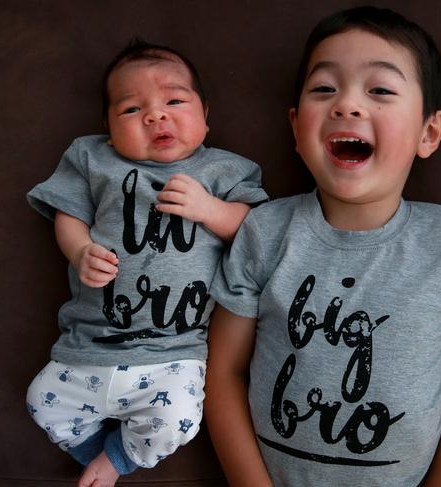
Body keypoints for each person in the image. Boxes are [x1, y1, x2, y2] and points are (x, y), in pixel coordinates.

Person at [204, 6, 441, 487]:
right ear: (296, 128)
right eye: (324, 89)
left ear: (429, 132)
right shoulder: (264, 232)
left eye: (380, 90)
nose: (347, 105)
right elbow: (223, 374)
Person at [25, 39, 267, 487]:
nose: (156, 115)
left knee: (179, 420)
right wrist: (79, 250)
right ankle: (98, 454)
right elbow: (68, 215)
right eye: (132, 109)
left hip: (173, 353)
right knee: (42, 400)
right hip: (89, 344)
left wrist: (211, 210)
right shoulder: (92, 159)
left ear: (205, 114)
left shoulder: (227, 171)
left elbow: (256, 230)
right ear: (107, 126)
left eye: (175, 100)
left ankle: (117, 459)